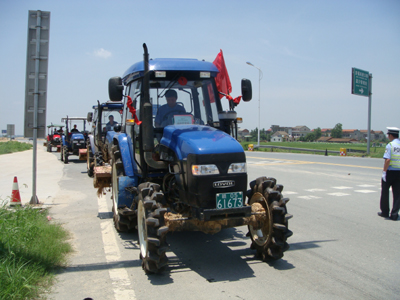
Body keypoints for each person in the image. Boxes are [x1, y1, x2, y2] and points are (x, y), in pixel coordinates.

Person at [378, 127, 400, 221]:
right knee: (397, 194)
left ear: (390, 135)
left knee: (385, 192)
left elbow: (387, 160)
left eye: (388, 135)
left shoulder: (390, 145)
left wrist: (384, 172)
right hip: (399, 173)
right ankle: (394, 214)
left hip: (390, 172)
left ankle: (385, 212)